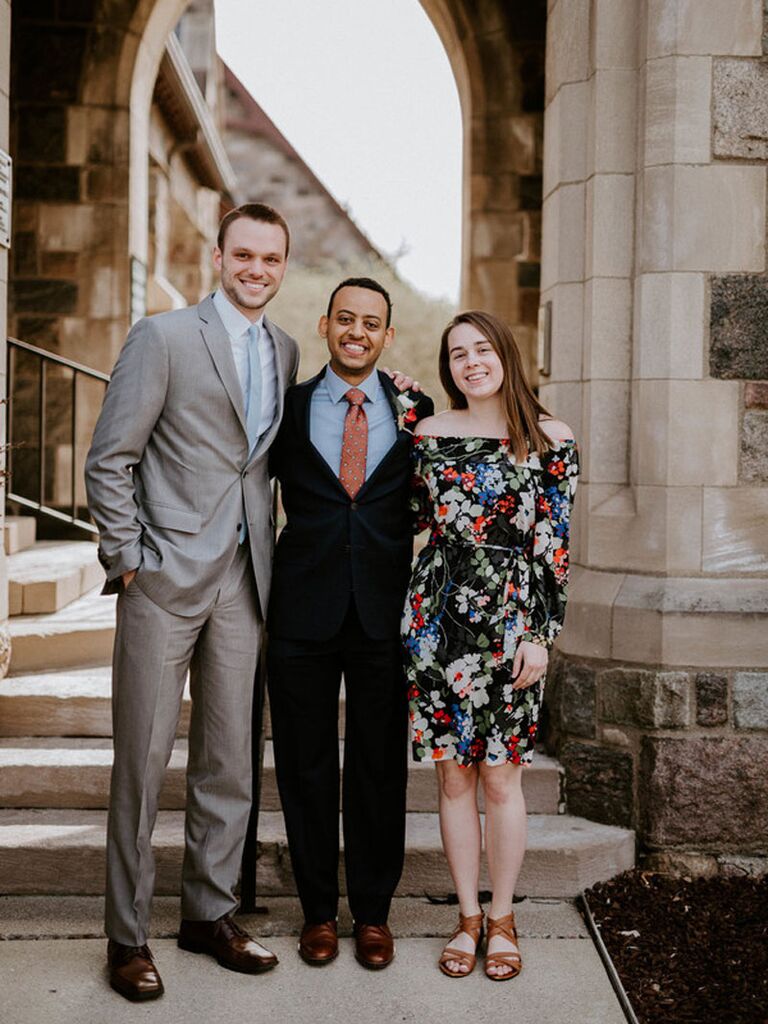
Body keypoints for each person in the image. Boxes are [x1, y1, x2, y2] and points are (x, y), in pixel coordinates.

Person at [85, 203, 300, 1002]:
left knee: (228, 761)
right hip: (163, 577)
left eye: (271, 259)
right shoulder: (163, 336)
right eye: (243, 255)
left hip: (247, 580)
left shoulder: (284, 347)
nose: (256, 270)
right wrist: (127, 559)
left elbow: (266, 462)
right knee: (141, 760)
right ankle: (127, 934)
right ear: (218, 257)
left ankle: (209, 913)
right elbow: (111, 457)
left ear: (283, 266)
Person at [401, 310, 578, 981]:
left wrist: (541, 634)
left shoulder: (548, 438)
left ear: (505, 354)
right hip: (438, 619)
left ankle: (503, 917)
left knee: (502, 777)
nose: (471, 362)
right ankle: (467, 917)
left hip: (511, 623)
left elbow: (554, 548)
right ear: (447, 368)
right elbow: (412, 516)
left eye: (481, 349)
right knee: (452, 775)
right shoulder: (430, 435)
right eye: (456, 354)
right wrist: (400, 408)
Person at [267, 277, 434, 970]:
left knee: (376, 767)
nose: (357, 331)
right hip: (301, 610)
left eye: (371, 323)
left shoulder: (416, 410)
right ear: (326, 326)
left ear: (387, 336)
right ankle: (315, 912)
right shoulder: (289, 407)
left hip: (382, 612)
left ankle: (371, 912)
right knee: (304, 765)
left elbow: (437, 499)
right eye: (345, 319)